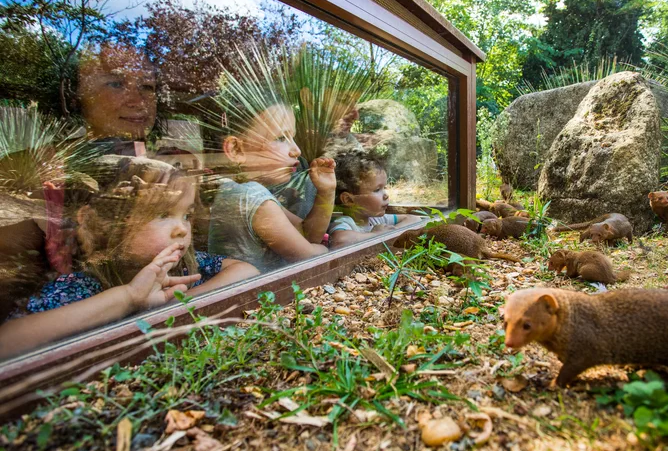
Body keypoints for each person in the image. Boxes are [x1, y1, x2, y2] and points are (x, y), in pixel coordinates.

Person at [0, 165, 259, 359]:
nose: (182, 228)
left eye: (187, 215)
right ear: (110, 227)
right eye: (162, 214)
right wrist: (129, 298)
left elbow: (246, 270)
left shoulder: (185, 267)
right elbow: (10, 340)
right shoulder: (82, 287)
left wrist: (181, 304)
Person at [207, 81, 336, 272]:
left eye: (293, 137)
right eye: (281, 138)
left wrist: (326, 192)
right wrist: (328, 250)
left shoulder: (248, 192)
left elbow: (307, 235)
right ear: (236, 149)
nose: (297, 150)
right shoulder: (247, 196)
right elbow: (308, 256)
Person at [327, 150, 420, 250]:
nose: (386, 195)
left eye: (385, 188)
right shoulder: (344, 222)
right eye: (377, 190)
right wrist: (377, 234)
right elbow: (340, 240)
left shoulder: (376, 219)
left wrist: (393, 231)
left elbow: (414, 219)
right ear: (349, 200)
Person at [77, 44, 157, 154]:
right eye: (116, 84)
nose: (139, 102)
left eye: (146, 86)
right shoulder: (57, 162)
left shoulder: (139, 149)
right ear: (83, 94)